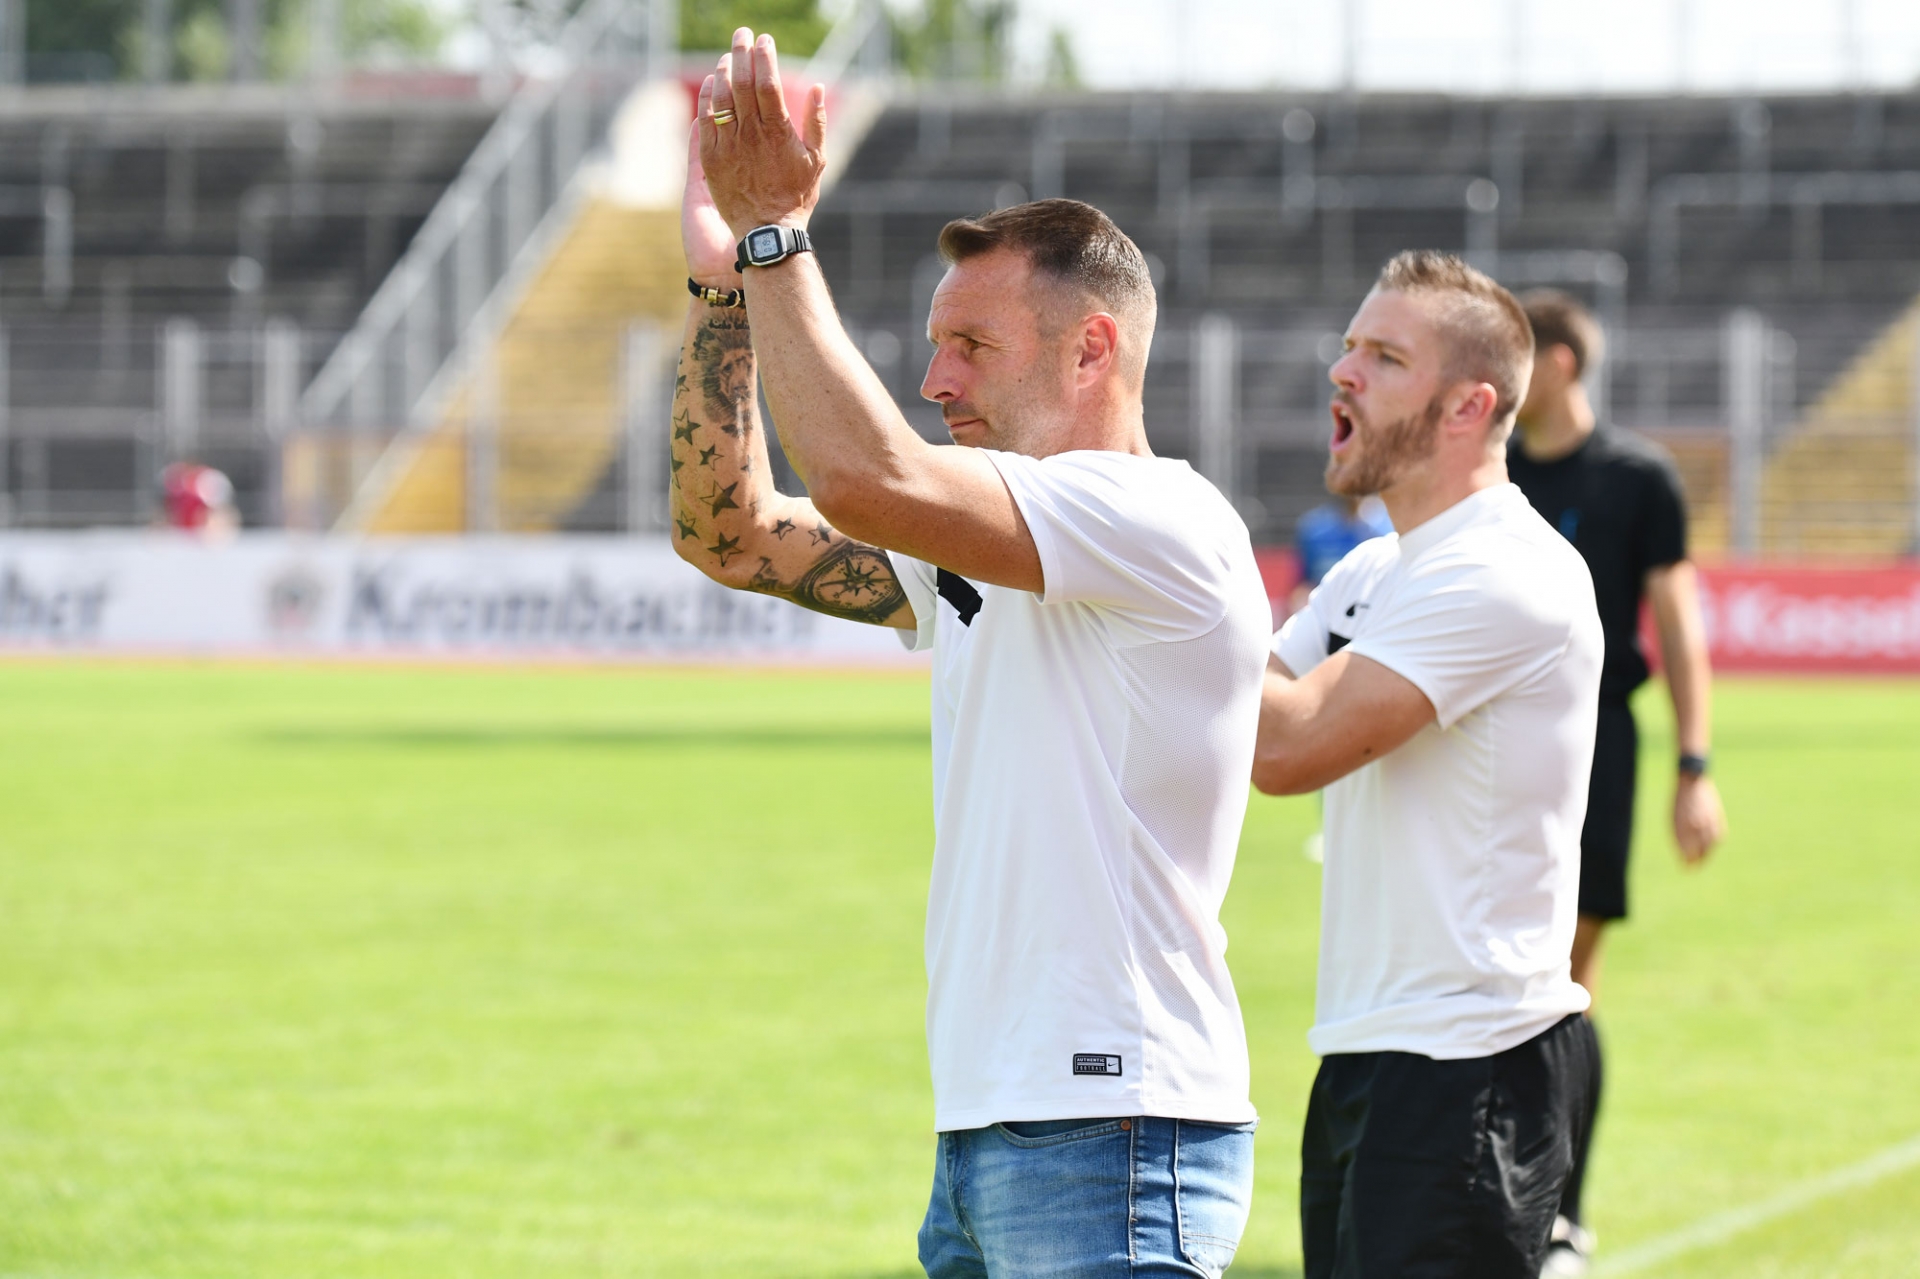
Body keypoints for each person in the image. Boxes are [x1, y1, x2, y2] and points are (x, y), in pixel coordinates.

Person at [672, 31, 1274, 1277]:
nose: (936, 378)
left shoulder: (1157, 515)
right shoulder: (996, 532)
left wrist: (775, 237)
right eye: (937, 341)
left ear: (1092, 347)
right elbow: (729, 533)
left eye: (974, 347)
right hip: (1000, 1123)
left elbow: (864, 477)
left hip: (1114, 1124)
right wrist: (723, 289)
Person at [1251, 251, 1604, 1278]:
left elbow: (1282, 743)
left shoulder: (1506, 571)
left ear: (1468, 406)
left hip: (1468, 1067)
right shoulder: (1374, 568)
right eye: (1350, 345)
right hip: (1370, 1049)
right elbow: (1228, 708)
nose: (1343, 370)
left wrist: (1175, 574)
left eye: (1385, 356)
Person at [1508, 290, 1727, 1276]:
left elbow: (1677, 624)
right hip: (1486, 743)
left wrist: (1694, 765)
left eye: (1517, 355)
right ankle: (1492, 1206)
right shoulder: (1488, 471)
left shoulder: (1638, 478)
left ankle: (1561, 1217)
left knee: (1564, 981)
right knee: (1494, 982)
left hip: (1597, 744)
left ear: (1558, 361)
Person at [1289, 495, 1392, 616]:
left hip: (1374, 611)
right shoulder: (1314, 529)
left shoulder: (1388, 529)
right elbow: (1303, 586)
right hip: (1327, 610)